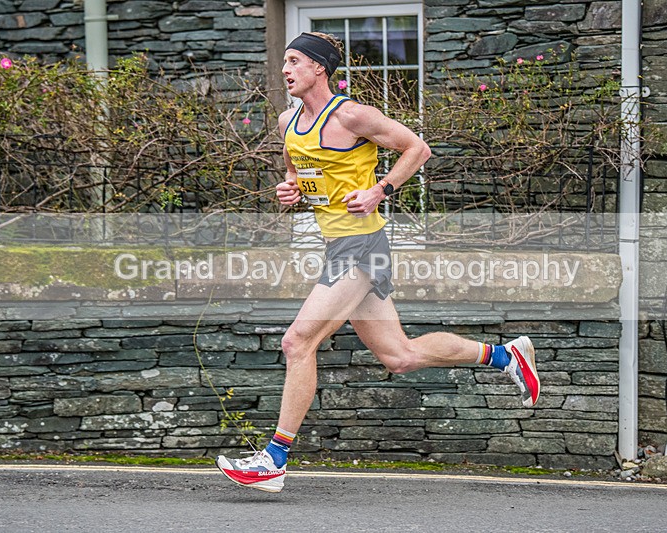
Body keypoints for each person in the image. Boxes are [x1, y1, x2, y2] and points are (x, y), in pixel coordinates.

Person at [216, 32, 539, 493]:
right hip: (337, 245)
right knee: (399, 356)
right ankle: (505, 355)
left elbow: (417, 149)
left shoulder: (352, 115)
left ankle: (274, 460)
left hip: (363, 246)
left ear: (319, 68)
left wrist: (378, 191)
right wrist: (290, 188)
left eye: (294, 61)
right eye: (284, 62)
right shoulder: (289, 121)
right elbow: (296, 168)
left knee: (297, 342)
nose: (285, 70)